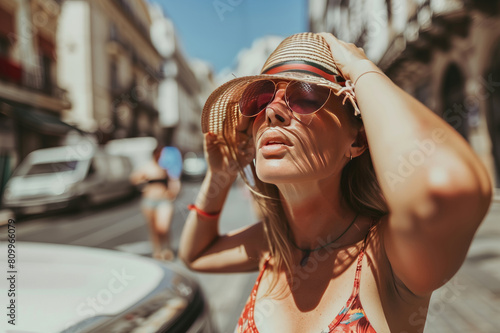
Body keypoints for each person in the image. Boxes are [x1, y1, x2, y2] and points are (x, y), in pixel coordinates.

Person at [178, 33, 493, 332]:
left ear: (356, 139)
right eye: (259, 98)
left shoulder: (387, 255)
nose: (272, 111)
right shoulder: (273, 245)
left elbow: (445, 185)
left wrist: (361, 69)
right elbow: (196, 254)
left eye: (304, 95)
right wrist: (220, 177)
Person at [130, 147, 180, 260]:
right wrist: (142, 181)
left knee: (162, 227)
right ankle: (158, 250)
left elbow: (174, 181)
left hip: (163, 201)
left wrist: (173, 192)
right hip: (149, 201)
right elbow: (134, 180)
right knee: (153, 229)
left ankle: (167, 248)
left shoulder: (165, 168)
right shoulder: (147, 167)